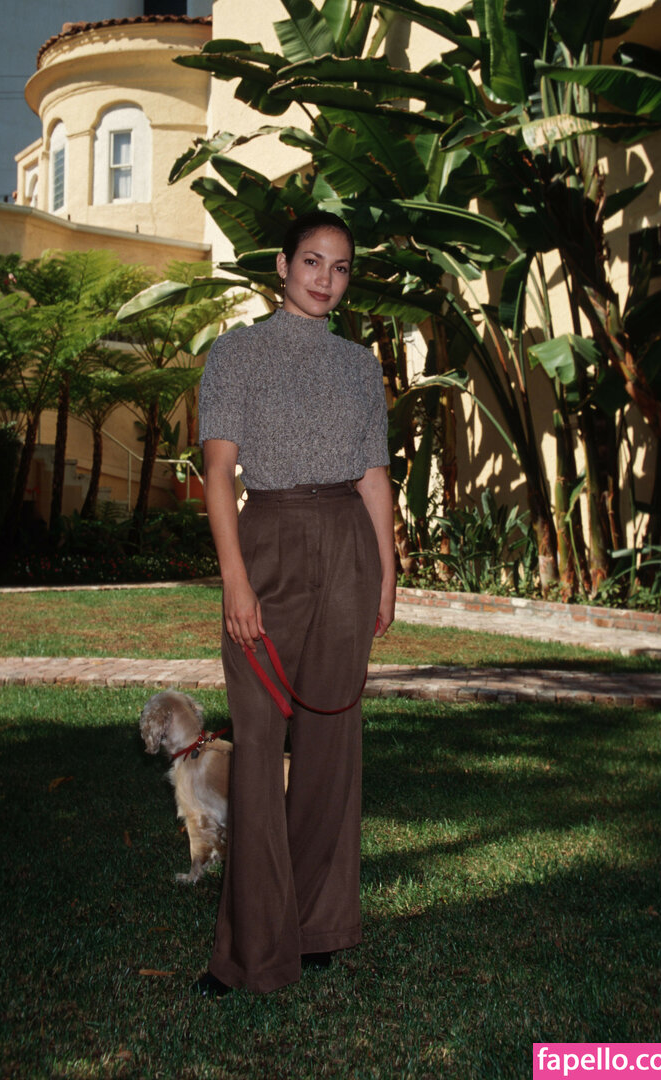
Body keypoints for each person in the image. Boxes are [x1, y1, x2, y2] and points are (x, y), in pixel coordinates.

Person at [193, 210, 396, 997]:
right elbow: (219, 473)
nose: (324, 279)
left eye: (340, 267)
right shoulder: (236, 353)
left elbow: (374, 477)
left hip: (349, 547)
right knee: (256, 740)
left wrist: (386, 575)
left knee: (331, 743)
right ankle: (252, 950)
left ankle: (318, 925)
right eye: (312, 261)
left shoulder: (361, 366)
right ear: (282, 266)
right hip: (268, 541)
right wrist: (235, 579)